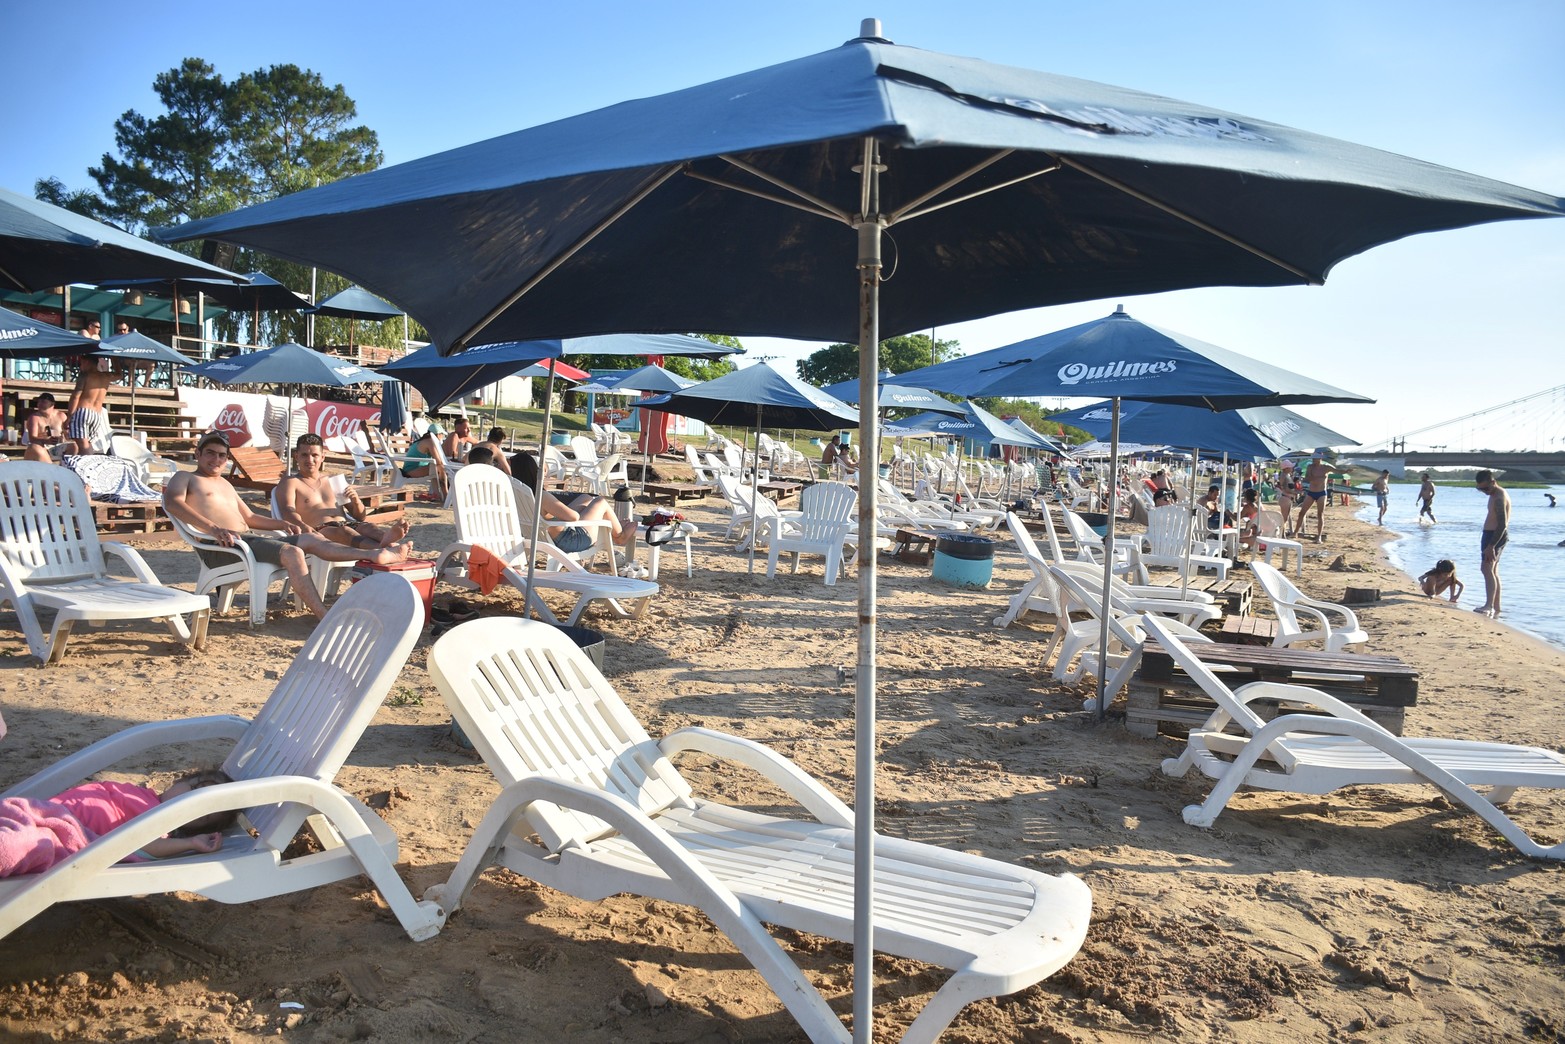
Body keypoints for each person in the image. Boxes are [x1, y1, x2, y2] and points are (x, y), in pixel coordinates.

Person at [163, 432, 410, 620]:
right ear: (198, 454)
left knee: (311, 540)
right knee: (293, 552)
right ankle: (323, 614)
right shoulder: (185, 477)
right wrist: (214, 528)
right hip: (224, 546)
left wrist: (282, 523)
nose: (216, 459)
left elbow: (249, 518)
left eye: (222, 455)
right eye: (211, 453)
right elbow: (172, 503)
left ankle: (375, 553)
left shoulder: (225, 485)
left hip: (245, 540)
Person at [1, 769, 237, 877]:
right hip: (43, 812)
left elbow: (150, 846)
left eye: (202, 812)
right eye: (196, 788)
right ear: (180, 780)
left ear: (193, 827)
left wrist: (191, 843)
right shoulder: (141, 794)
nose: (190, 801)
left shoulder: (160, 825)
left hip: (64, 837)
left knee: (19, 845)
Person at [275, 433, 412, 554]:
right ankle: (384, 548)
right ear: (296, 456)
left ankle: (387, 542)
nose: (310, 460)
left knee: (368, 527)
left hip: (346, 523)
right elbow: (288, 511)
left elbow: (360, 516)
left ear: (322, 457)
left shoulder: (333, 480)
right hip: (319, 530)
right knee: (345, 532)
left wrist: (356, 501)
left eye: (315, 455)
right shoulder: (291, 482)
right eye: (305, 455)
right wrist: (304, 527)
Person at [509, 451, 640, 571]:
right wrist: (582, 512)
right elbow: (573, 518)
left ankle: (615, 526)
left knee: (586, 498)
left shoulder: (518, 494)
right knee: (600, 502)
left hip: (540, 537)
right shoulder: (541, 495)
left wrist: (580, 511)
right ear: (533, 471)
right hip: (570, 541)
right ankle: (620, 536)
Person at [64, 345, 124, 456]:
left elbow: (75, 396)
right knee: (87, 444)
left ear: (87, 362)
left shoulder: (85, 375)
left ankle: (88, 467)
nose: (80, 367)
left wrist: (69, 416)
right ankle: (86, 464)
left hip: (83, 412)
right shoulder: (106, 376)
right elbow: (119, 375)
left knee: (83, 444)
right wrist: (114, 358)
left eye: (81, 363)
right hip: (97, 414)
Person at [1473, 469, 1511, 618]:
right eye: (1480, 489)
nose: (1484, 491)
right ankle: (1496, 606)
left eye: (1486, 488)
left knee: (1486, 569)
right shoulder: (1494, 493)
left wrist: (1491, 546)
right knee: (1492, 571)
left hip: (1495, 536)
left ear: (1493, 482)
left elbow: (1502, 525)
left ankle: (1488, 606)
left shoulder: (1499, 497)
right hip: (1491, 534)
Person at [1290, 449, 1331, 542]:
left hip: (1321, 492)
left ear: (1320, 458)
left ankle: (1319, 536)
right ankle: (1295, 532)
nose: (1313, 459)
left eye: (1315, 458)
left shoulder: (1325, 468)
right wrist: (1311, 478)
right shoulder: (1310, 467)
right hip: (1312, 492)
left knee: (1320, 514)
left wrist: (1346, 471)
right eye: (1313, 458)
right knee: (1302, 513)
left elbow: (1338, 471)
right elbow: (1307, 479)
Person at [400, 428, 448, 502]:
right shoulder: (430, 442)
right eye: (442, 435)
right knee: (440, 468)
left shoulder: (423, 441)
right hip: (411, 471)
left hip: (409, 469)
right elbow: (439, 461)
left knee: (437, 468)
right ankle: (446, 495)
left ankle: (437, 494)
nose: (442, 438)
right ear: (438, 435)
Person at [20, 392, 69, 462]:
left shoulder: (61, 416)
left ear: (52, 404)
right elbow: (32, 439)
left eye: (43, 402)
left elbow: (67, 434)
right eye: (38, 402)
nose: (39, 404)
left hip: (58, 446)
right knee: (34, 446)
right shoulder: (34, 418)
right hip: (42, 447)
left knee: (74, 447)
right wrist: (47, 440)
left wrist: (65, 435)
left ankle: (66, 468)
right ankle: (52, 470)